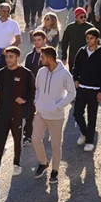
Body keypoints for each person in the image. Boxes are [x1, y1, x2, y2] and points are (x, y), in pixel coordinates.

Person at [0, 47, 34, 180]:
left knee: (18, 140)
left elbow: (33, 91)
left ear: (17, 58)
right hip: (2, 114)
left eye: (11, 57)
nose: (8, 59)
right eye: (7, 57)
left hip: (17, 113)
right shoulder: (2, 72)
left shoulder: (26, 73)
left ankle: (17, 164)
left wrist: (25, 100)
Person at [32, 46, 75, 182]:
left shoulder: (64, 74)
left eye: (42, 57)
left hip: (56, 116)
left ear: (50, 58)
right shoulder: (41, 72)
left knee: (56, 145)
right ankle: (43, 162)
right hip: (40, 113)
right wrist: (36, 101)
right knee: (35, 138)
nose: (40, 59)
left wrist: (58, 106)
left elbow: (72, 93)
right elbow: (37, 89)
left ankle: (55, 171)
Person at [70, 27, 101, 152]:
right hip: (82, 88)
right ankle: (85, 132)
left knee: (92, 116)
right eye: (87, 38)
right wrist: (75, 79)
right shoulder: (81, 51)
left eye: (91, 38)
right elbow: (75, 67)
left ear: (97, 39)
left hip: (95, 90)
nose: (88, 40)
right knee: (77, 114)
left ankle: (89, 141)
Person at [22, 29, 49, 146]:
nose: (37, 42)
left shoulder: (49, 55)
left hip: (46, 89)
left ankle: (43, 132)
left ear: (44, 40)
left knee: (44, 111)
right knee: (29, 112)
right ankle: (27, 135)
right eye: (35, 40)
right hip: (31, 89)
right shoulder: (29, 57)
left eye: (39, 40)